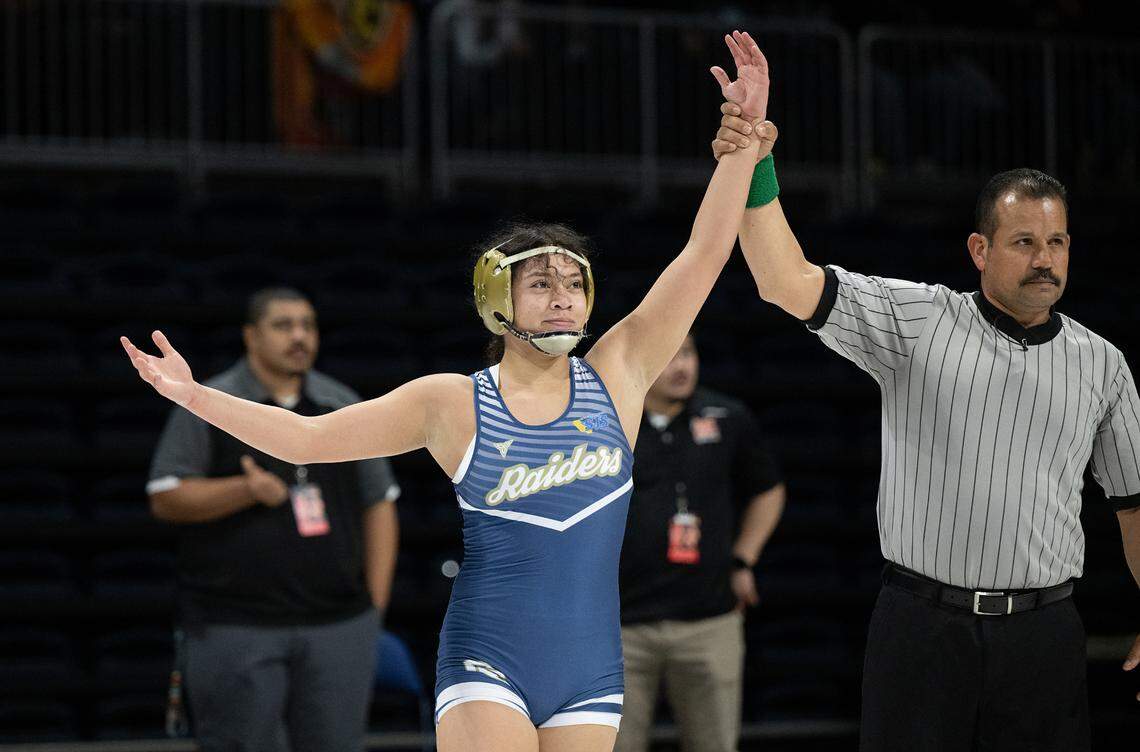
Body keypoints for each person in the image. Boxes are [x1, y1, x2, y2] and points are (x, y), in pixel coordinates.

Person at [122, 31, 771, 752]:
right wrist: (190, 395)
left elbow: (708, 251)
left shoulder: (617, 371)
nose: (564, 297)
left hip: (591, 670)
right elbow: (306, 439)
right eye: (542, 282)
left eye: (574, 282)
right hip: (488, 662)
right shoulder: (452, 401)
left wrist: (744, 143)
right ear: (498, 299)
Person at [711, 29, 1140, 752]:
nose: (1044, 260)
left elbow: (1134, 506)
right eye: (1024, 242)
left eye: (1057, 242)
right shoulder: (916, 317)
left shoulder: (1104, 363)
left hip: (1044, 636)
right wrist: (755, 158)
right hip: (920, 627)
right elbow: (782, 280)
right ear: (980, 249)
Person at [145, 287, 401, 752]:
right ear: (250, 336)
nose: (299, 336)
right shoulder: (209, 400)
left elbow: (379, 501)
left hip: (338, 624)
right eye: (283, 326)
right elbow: (165, 496)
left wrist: (373, 607)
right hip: (236, 624)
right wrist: (243, 490)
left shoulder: (339, 401)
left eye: (308, 325)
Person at [615, 332, 785, 752]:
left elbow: (769, 489)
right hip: (620, 628)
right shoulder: (609, 422)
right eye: (670, 355)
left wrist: (744, 560)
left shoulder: (727, 417)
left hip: (709, 622)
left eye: (688, 353)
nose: (682, 366)